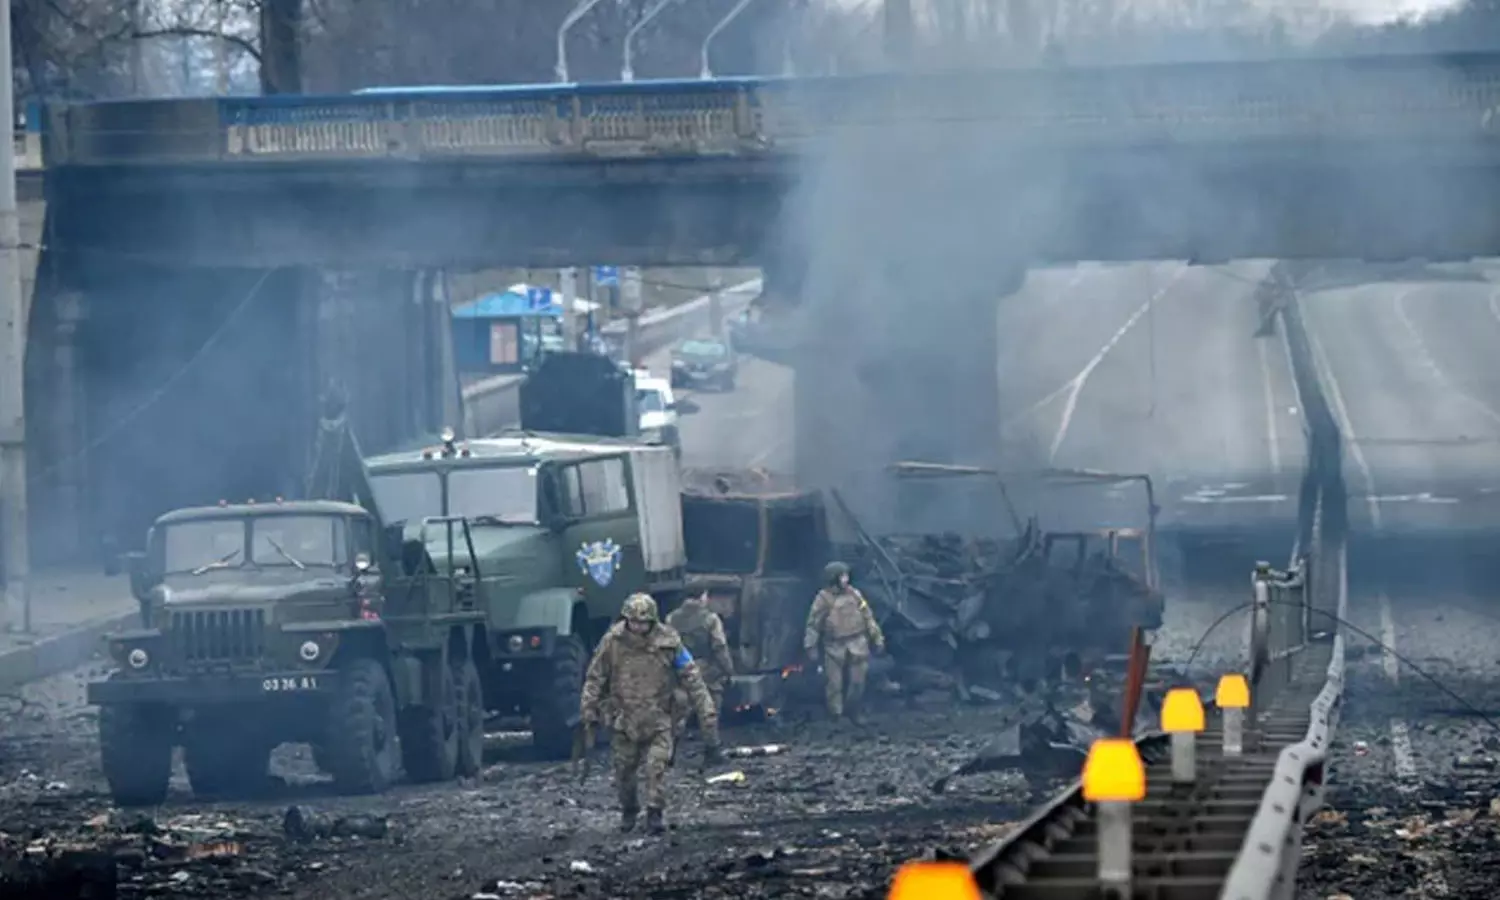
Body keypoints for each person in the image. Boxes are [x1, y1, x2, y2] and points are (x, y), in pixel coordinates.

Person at [580, 592, 723, 834]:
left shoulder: (669, 642)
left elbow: (691, 676)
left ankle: (655, 812)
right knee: (624, 773)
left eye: (643, 622)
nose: (637, 627)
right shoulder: (612, 642)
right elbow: (595, 677)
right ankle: (629, 810)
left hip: (660, 717)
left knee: (656, 767)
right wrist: (588, 708)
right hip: (624, 718)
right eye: (633, 622)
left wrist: (705, 708)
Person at [803, 561, 885, 724]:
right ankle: (836, 715)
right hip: (834, 646)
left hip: (857, 642)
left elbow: (868, 617)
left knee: (857, 682)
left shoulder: (854, 594)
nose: (846, 579)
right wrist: (810, 646)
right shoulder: (823, 599)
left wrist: (877, 638)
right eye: (843, 576)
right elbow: (813, 623)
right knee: (834, 684)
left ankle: (853, 711)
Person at [666, 586, 735, 742]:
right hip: (707, 671)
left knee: (679, 712)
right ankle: (712, 749)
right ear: (702, 596)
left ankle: (669, 751)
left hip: (680, 670)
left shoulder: (671, 618)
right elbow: (720, 647)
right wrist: (729, 671)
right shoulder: (710, 619)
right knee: (710, 710)